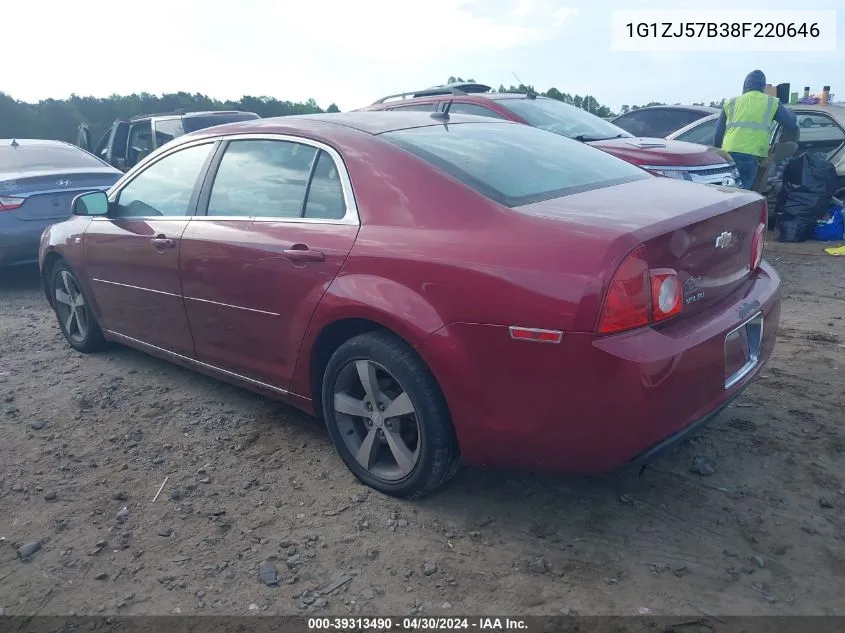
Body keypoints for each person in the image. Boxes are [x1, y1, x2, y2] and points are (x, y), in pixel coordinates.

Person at [714, 70, 798, 190]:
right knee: (743, 195)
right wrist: (789, 110)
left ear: (745, 85)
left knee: (727, 190)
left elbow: (718, 134)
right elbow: (791, 123)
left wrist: (717, 154)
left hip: (727, 154)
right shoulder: (771, 102)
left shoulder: (731, 102)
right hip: (750, 155)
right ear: (763, 86)